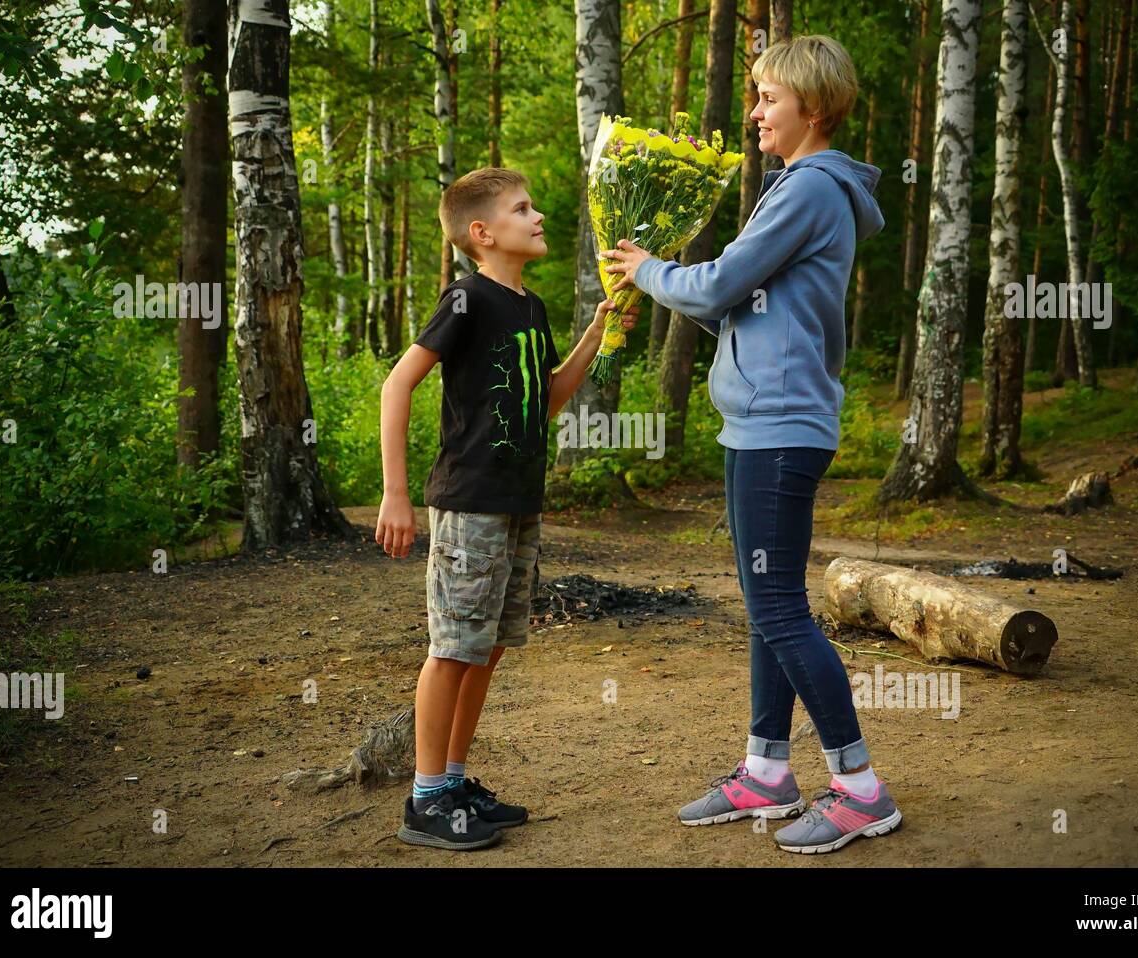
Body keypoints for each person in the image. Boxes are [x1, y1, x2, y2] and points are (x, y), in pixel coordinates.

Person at [600, 35, 900, 854]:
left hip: (779, 428)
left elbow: (722, 281)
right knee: (771, 610)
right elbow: (731, 305)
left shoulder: (809, 188)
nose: (756, 111)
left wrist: (651, 268)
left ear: (813, 106)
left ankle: (861, 789)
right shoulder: (798, 189)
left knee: (777, 608)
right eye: (757, 96)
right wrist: (661, 282)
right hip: (759, 424)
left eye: (769, 98)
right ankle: (767, 770)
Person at [375, 167, 638, 850]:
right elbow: (397, 385)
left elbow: (547, 398)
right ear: (482, 233)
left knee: (487, 647)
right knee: (453, 648)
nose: (538, 216)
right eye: (523, 209)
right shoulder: (466, 299)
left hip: (520, 502)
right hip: (469, 501)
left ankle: (454, 780)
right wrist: (395, 494)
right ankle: (425, 799)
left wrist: (599, 331)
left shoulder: (531, 308)